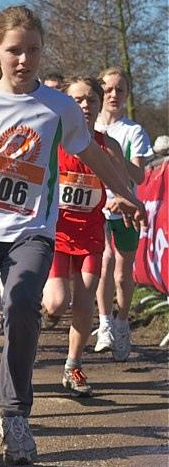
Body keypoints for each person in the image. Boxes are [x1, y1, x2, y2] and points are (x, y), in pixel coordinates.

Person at [0, 5, 145, 467]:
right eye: (14, 51)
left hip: (33, 232)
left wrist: (126, 193)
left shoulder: (58, 108)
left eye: (33, 51)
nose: (24, 60)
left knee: (22, 306)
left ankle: (15, 416)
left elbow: (95, 158)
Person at [40, 77, 127, 397]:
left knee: (85, 299)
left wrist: (123, 198)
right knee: (58, 302)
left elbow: (124, 184)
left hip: (90, 234)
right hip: (57, 233)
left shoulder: (108, 146)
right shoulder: (53, 139)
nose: (85, 106)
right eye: (77, 100)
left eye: (91, 99)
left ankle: (73, 365)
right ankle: (48, 311)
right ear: (66, 103)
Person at [93, 66, 154, 360]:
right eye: (107, 90)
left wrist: (115, 155)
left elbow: (140, 177)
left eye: (120, 90)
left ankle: (121, 322)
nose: (113, 95)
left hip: (126, 210)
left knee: (121, 272)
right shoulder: (89, 128)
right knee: (103, 262)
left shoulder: (133, 132)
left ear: (128, 94)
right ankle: (104, 323)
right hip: (97, 207)